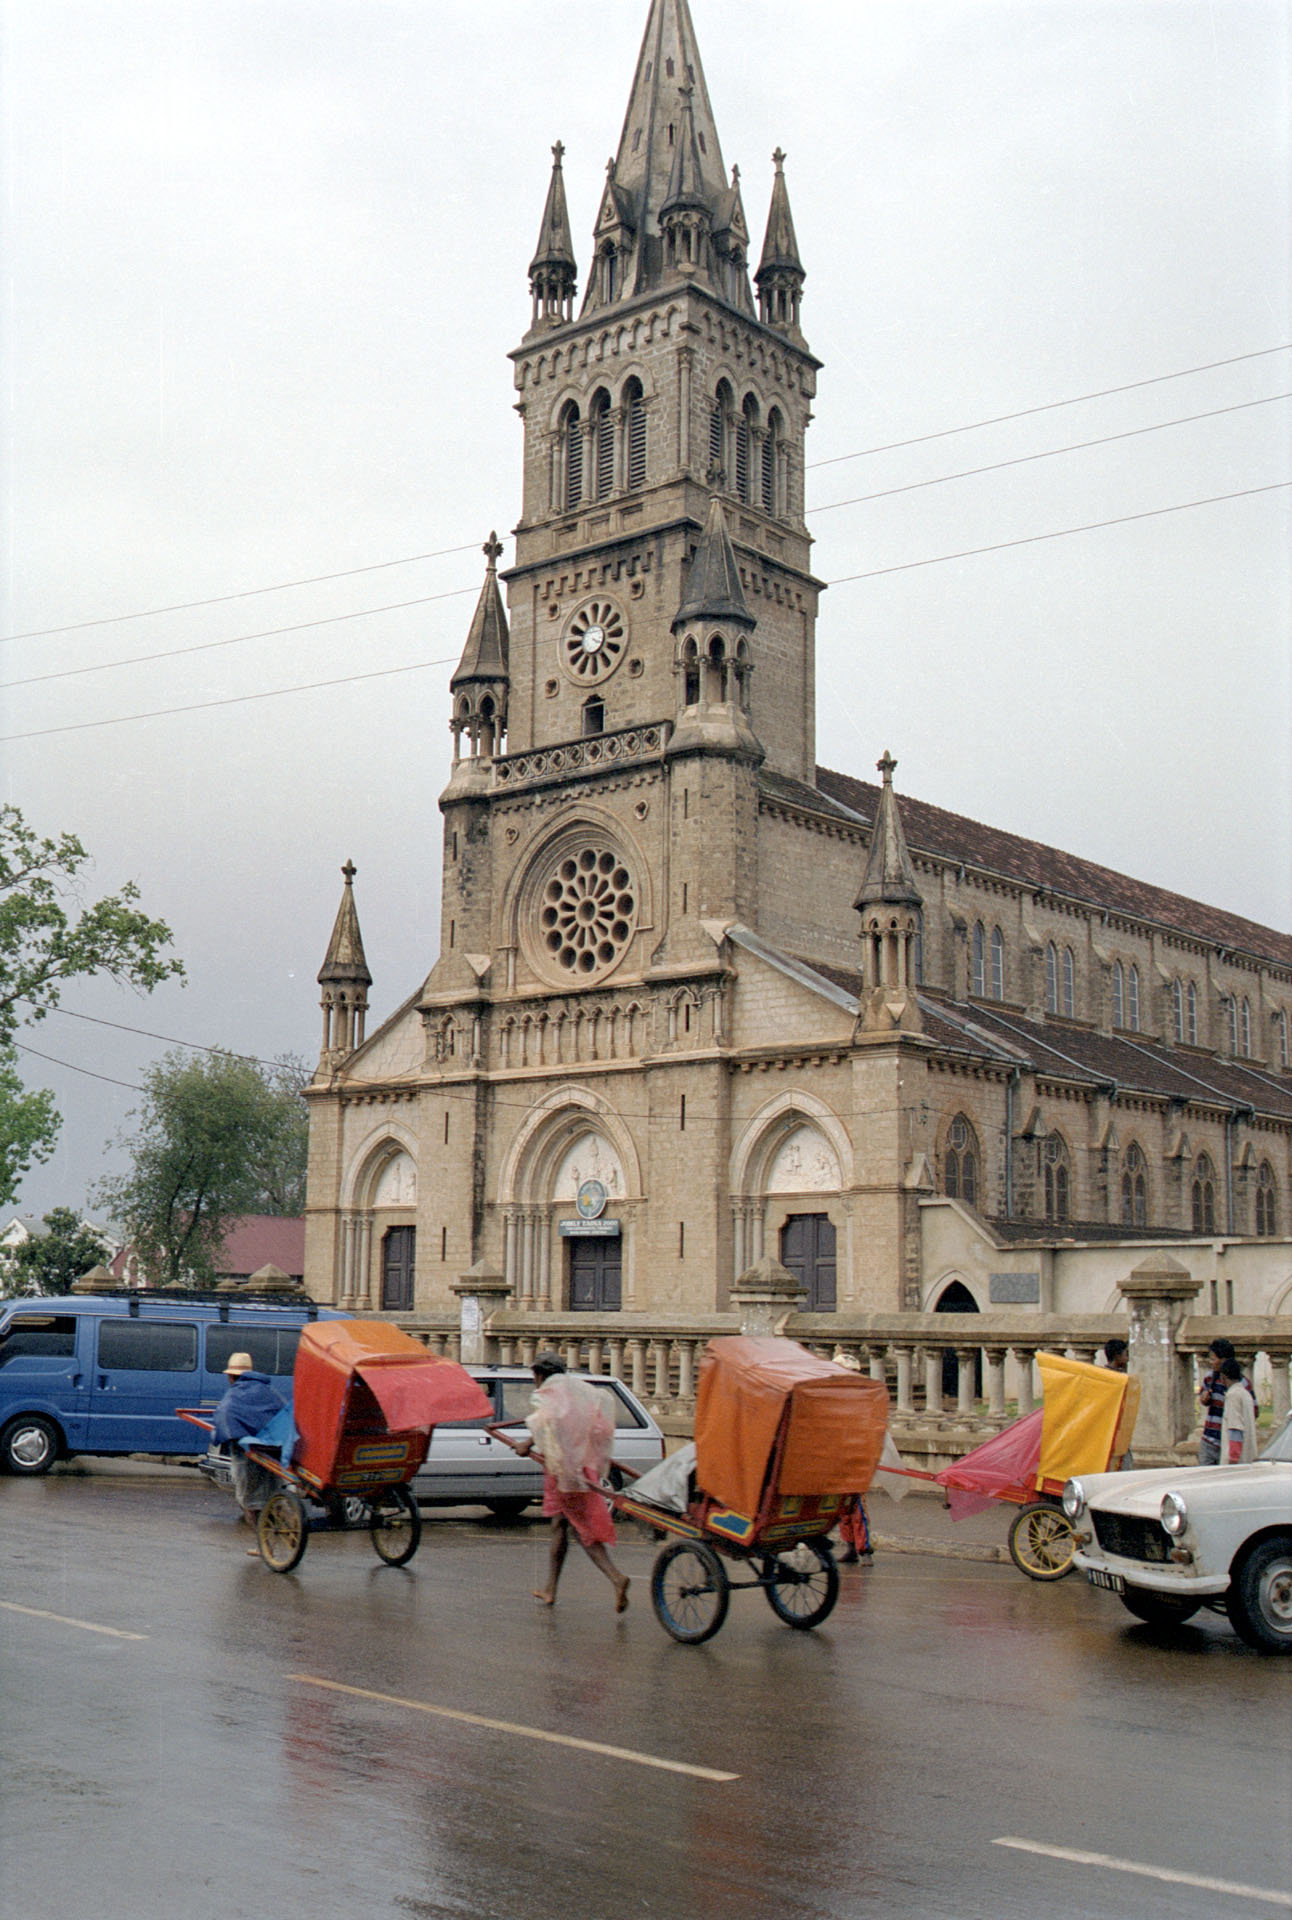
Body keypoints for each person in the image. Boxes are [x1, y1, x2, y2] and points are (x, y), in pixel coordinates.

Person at [511, 1353, 630, 1613]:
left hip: (562, 1472)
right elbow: (599, 1429)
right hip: (582, 1468)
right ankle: (550, 1588)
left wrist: (526, 1444)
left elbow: (546, 1423)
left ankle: (615, 1577)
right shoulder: (580, 1393)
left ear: (540, 1375)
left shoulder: (552, 1395)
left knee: (578, 1528)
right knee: (560, 1526)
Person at [211, 1352, 285, 1539]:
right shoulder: (269, 1391)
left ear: (231, 1376)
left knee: (249, 1501)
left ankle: (263, 1543)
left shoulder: (234, 1394)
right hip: (273, 1452)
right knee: (271, 1495)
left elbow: (225, 1416)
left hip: (247, 1454)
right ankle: (273, 1538)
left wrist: (218, 1434)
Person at [1197, 1339, 1254, 1465]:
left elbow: (1250, 1412)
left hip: (1229, 1441)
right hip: (1210, 1439)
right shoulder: (1209, 1378)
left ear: (1224, 1360)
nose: (1211, 1363)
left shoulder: (1241, 1386)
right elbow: (1202, 1397)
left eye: (1213, 1359)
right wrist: (1204, 1399)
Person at [1219, 1357, 1259, 1465]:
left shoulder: (1233, 1396)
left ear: (1223, 1376)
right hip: (1248, 1458)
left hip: (1237, 1462)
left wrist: (1233, 1459)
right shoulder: (1245, 1394)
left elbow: (1235, 1429)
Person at [837, 1494, 872, 1564]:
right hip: (840, 1489)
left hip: (854, 1488)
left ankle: (865, 1552)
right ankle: (852, 1551)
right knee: (844, 1519)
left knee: (858, 1518)